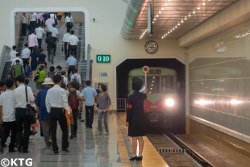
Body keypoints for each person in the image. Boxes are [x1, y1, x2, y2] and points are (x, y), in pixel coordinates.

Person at [45, 74, 71, 154]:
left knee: (53, 131)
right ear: (60, 81)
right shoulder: (62, 91)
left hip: (52, 111)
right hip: (60, 111)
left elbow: (47, 102)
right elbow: (65, 102)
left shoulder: (49, 91)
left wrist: (49, 111)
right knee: (64, 130)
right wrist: (69, 112)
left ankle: (55, 148)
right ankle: (64, 146)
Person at [126, 77, 147, 161]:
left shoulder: (131, 97)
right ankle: (140, 155)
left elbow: (129, 109)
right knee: (140, 137)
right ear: (141, 86)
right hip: (142, 119)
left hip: (133, 119)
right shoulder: (144, 96)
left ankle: (134, 155)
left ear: (133, 86)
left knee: (134, 138)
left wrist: (128, 120)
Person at [14, 75, 35, 153]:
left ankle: (19, 145)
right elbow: (32, 100)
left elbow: (14, 102)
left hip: (18, 111)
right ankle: (25, 148)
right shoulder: (28, 88)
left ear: (17, 81)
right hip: (26, 111)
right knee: (26, 130)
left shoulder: (15, 90)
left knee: (18, 130)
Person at [36, 78, 54, 150]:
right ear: (50, 85)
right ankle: (53, 141)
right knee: (52, 128)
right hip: (52, 113)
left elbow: (37, 104)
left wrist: (38, 113)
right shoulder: (52, 92)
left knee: (45, 130)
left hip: (43, 113)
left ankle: (47, 144)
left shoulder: (40, 93)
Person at [0, 79, 16, 152]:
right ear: (13, 85)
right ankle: (11, 148)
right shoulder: (15, 93)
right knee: (13, 133)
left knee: (5, 133)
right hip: (13, 117)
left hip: (5, 117)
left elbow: (1, 107)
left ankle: (1, 144)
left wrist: (1, 117)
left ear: (6, 85)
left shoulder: (2, 94)